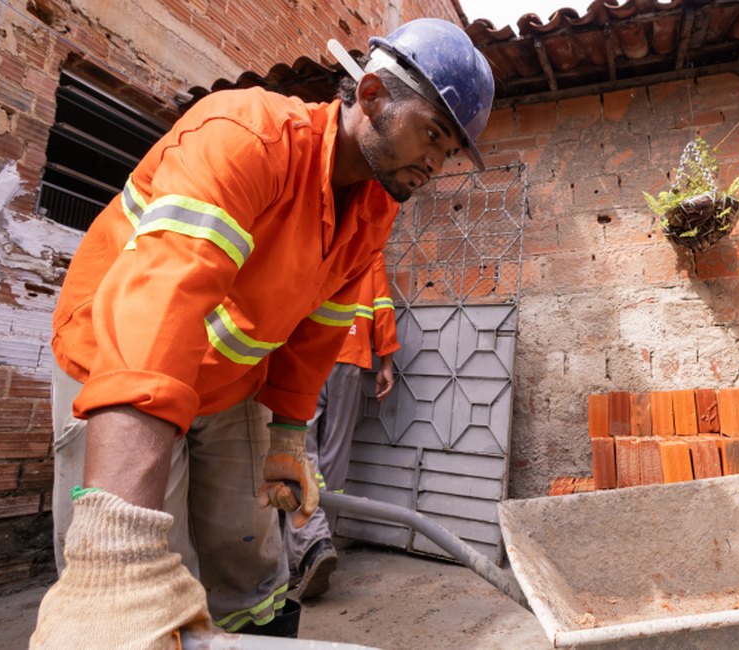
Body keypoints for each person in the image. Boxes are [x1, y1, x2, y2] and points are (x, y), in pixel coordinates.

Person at [30, 18, 493, 648]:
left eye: (451, 151)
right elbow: (160, 304)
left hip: (228, 385)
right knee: (137, 581)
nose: (437, 163)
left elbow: (320, 326)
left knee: (249, 559)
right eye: (433, 134)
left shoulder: (375, 208)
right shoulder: (245, 137)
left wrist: (288, 436)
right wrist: (119, 543)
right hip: (117, 359)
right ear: (373, 96)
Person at [286, 251, 399, 600]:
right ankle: (321, 541)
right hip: (350, 359)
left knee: (299, 449)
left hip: (308, 355)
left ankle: (309, 544)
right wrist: (387, 362)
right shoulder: (370, 251)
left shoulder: (318, 236)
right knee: (335, 454)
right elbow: (382, 304)